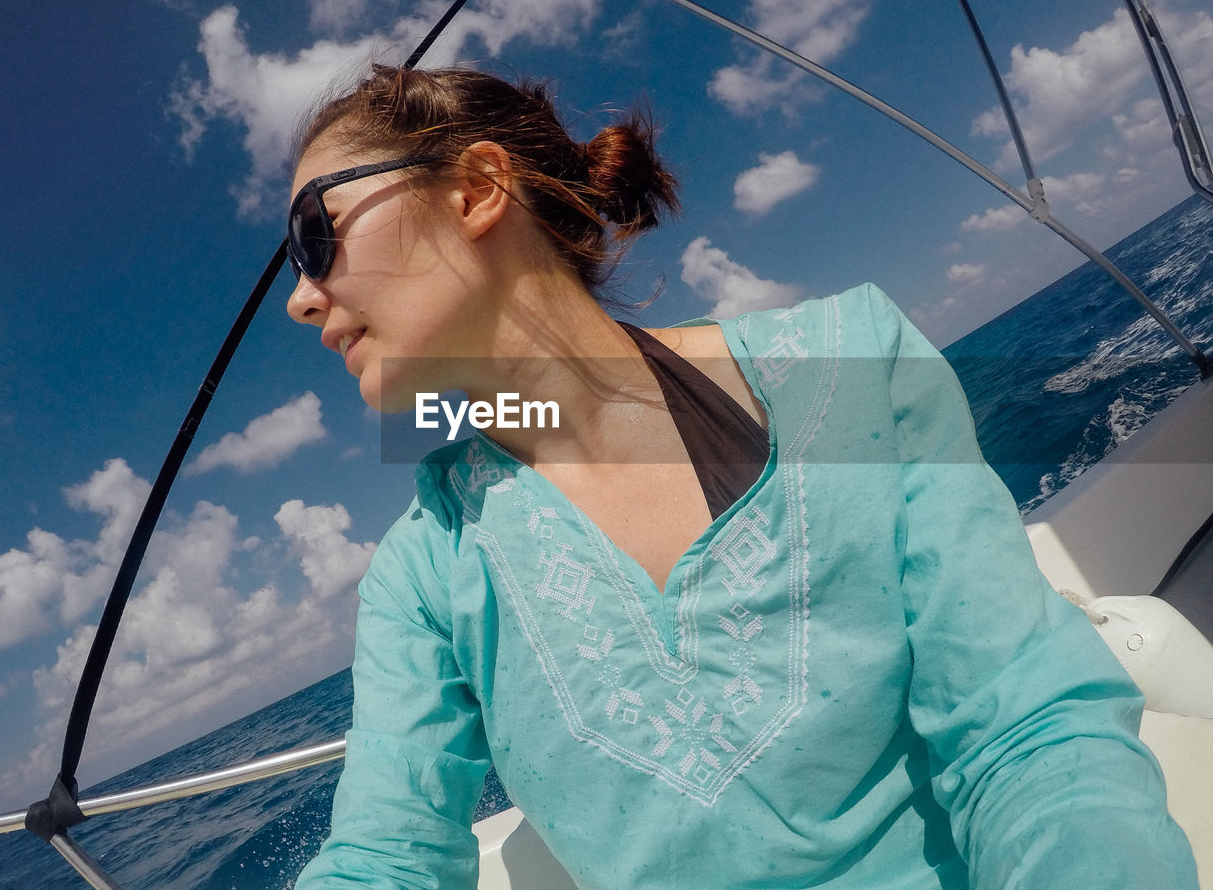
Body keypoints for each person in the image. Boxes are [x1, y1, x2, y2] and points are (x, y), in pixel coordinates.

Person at [286, 65, 1196, 890]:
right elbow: (384, 858)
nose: (301, 296)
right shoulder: (423, 566)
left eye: (313, 234)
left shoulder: (856, 360)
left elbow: (1022, 729)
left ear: (477, 190)